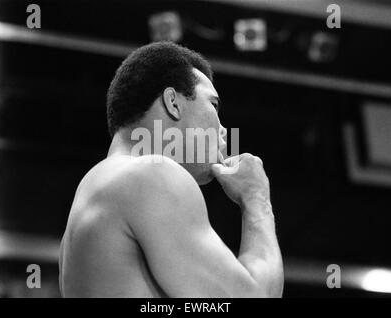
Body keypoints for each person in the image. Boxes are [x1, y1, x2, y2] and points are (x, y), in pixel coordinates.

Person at [59, 42, 283, 297]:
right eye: (214, 105)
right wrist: (257, 199)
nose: (223, 130)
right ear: (173, 102)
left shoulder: (83, 211)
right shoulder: (151, 175)